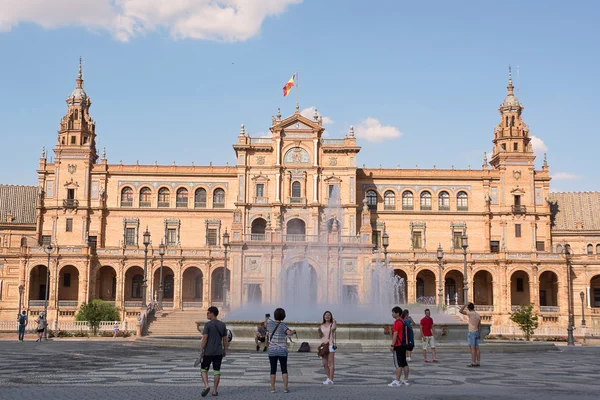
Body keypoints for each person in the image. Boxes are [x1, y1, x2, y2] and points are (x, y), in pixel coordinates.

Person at [199, 306, 228, 397]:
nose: (207, 314)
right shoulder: (222, 325)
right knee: (217, 371)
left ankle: (206, 386)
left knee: (203, 369)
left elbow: (205, 338)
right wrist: (224, 349)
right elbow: (225, 339)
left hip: (208, 351)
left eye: (208, 313)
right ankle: (215, 391)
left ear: (212, 313)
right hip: (218, 352)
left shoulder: (208, 325)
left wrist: (201, 350)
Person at [267, 307, 296, 393]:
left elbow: (267, 333)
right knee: (284, 369)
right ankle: (285, 388)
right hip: (282, 350)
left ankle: (272, 388)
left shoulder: (270, 324)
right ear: (283, 316)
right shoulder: (283, 325)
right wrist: (294, 331)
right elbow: (289, 333)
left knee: (273, 369)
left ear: (275, 315)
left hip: (272, 350)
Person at [388, 306, 409, 387]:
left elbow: (395, 334)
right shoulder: (403, 321)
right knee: (404, 363)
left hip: (398, 345)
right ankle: (406, 380)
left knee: (398, 364)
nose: (392, 314)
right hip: (403, 344)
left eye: (393, 312)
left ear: (397, 313)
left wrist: (392, 345)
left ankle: (397, 380)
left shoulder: (397, 322)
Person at [318, 310, 337, 385]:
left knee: (331, 363)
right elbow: (320, 336)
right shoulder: (321, 326)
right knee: (325, 364)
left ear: (331, 317)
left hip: (330, 345)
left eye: (329, 315)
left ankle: (331, 379)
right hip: (323, 346)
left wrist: (334, 322)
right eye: (326, 315)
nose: (327, 316)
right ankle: (328, 378)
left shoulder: (332, 325)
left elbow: (334, 329)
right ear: (323, 316)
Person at [460, 302, 481, 367]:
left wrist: (465, 304)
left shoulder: (470, 313)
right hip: (476, 332)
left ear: (468, 308)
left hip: (471, 332)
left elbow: (460, 311)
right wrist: (479, 333)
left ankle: (473, 362)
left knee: (472, 348)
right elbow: (479, 325)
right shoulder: (478, 315)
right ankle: (478, 362)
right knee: (477, 347)